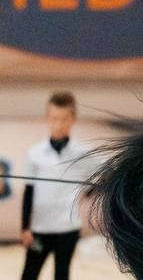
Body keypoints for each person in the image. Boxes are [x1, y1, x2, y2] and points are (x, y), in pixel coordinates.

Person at [20, 92, 93, 280]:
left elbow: (100, 180)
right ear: (47, 118)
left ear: (73, 119)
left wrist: (87, 192)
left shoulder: (82, 154)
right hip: (39, 231)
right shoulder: (34, 153)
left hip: (67, 230)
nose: (59, 124)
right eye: (54, 118)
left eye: (64, 119)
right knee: (29, 273)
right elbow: (29, 191)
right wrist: (25, 227)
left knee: (61, 274)